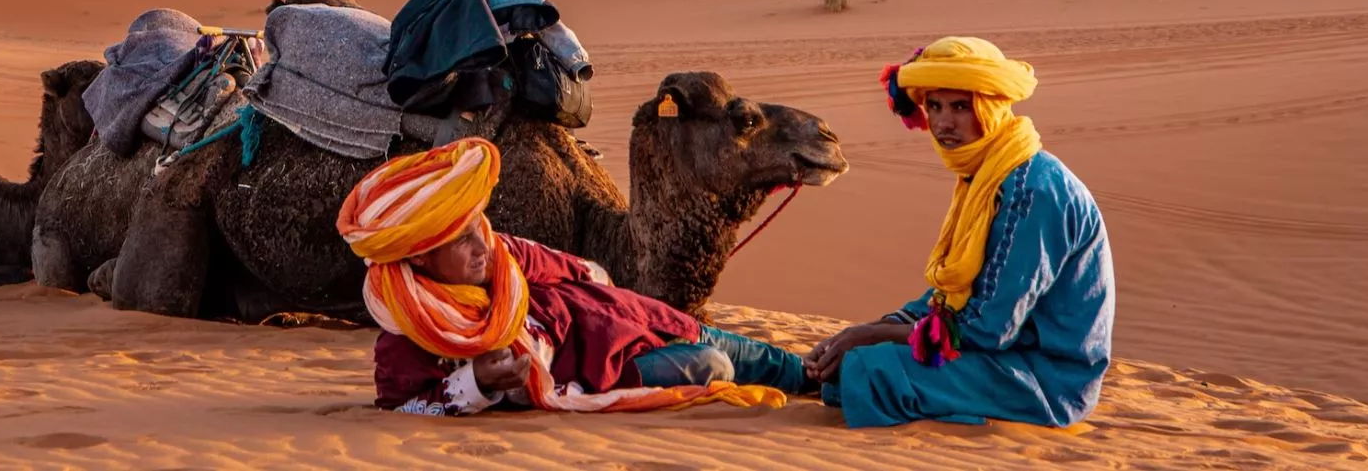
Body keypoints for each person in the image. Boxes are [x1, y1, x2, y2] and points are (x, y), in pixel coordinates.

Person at [337, 137, 816, 415]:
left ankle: (830, 376)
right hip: (610, 370)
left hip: (636, 319)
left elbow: (584, 271)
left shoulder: (506, 255)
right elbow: (404, 408)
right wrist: (477, 382)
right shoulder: (412, 332)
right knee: (715, 366)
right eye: (461, 239)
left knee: (781, 365)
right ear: (419, 256)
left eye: (476, 228)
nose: (482, 245)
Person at [807, 36, 1114, 428]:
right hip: (1005, 358)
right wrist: (867, 332)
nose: (943, 123)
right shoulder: (987, 175)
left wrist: (874, 335)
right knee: (847, 367)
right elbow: (953, 298)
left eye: (960, 107)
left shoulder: (1032, 190)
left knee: (870, 372)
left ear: (991, 108)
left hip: (1046, 380)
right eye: (933, 106)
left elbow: (990, 328)